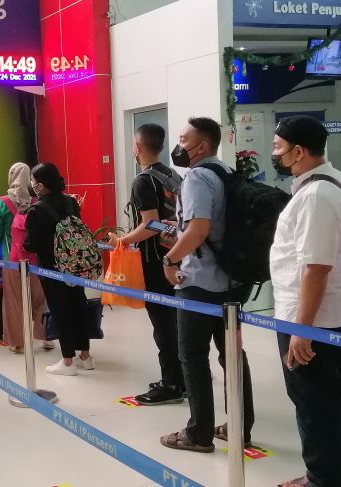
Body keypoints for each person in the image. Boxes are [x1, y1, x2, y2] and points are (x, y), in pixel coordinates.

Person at [159, 117, 254, 453]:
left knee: (193, 356)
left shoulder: (197, 176)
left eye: (183, 139)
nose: (178, 145)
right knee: (232, 354)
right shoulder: (226, 173)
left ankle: (198, 434)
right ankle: (240, 427)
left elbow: (198, 230)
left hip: (199, 281)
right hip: (233, 279)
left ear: (202, 146)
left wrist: (170, 258)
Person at [269, 116, 341, 487]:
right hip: (315, 317)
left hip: (313, 320)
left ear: (299, 151)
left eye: (279, 147)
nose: (274, 153)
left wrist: (301, 329)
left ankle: (322, 479)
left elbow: (316, 268)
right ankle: (325, 472)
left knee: (314, 405)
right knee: (321, 402)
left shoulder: (316, 195)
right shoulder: (323, 185)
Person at [107, 124, 185, 405]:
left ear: (138, 147)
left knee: (163, 323)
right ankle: (181, 378)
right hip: (175, 254)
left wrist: (123, 240)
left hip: (154, 260)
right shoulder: (171, 174)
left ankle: (172, 384)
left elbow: (150, 224)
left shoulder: (143, 181)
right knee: (173, 320)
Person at [24, 163, 93, 375]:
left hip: (52, 269)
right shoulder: (71, 202)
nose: (32, 185)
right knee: (78, 306)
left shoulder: (35, 210)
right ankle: (85, 355)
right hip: (75, 265)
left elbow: (32, 245)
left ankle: (67, 361)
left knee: (61, 310)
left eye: (34, 182)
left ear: (41, 186)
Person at [0, 162, 49, 353]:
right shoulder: (35, 202)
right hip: (35, 260)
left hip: (12, 259)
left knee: (14, 301)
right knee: (40, 299)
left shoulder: (3, 203)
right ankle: (46, 336)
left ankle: (18, 342)